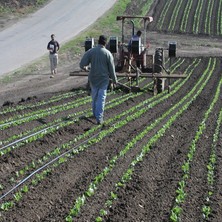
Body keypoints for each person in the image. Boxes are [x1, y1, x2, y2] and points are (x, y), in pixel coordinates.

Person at [80, 35, 118, 125]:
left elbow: (82, 64)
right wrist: (115, 80)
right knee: (101, 98)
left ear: (98, 41)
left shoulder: (91, 51)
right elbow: (112, 69)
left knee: (94, 97)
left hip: (93, 78)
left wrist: (85, 68)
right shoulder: (108, 53)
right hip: (103, 79)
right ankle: (99, 118)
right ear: (105, 43)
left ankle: (95, 114)